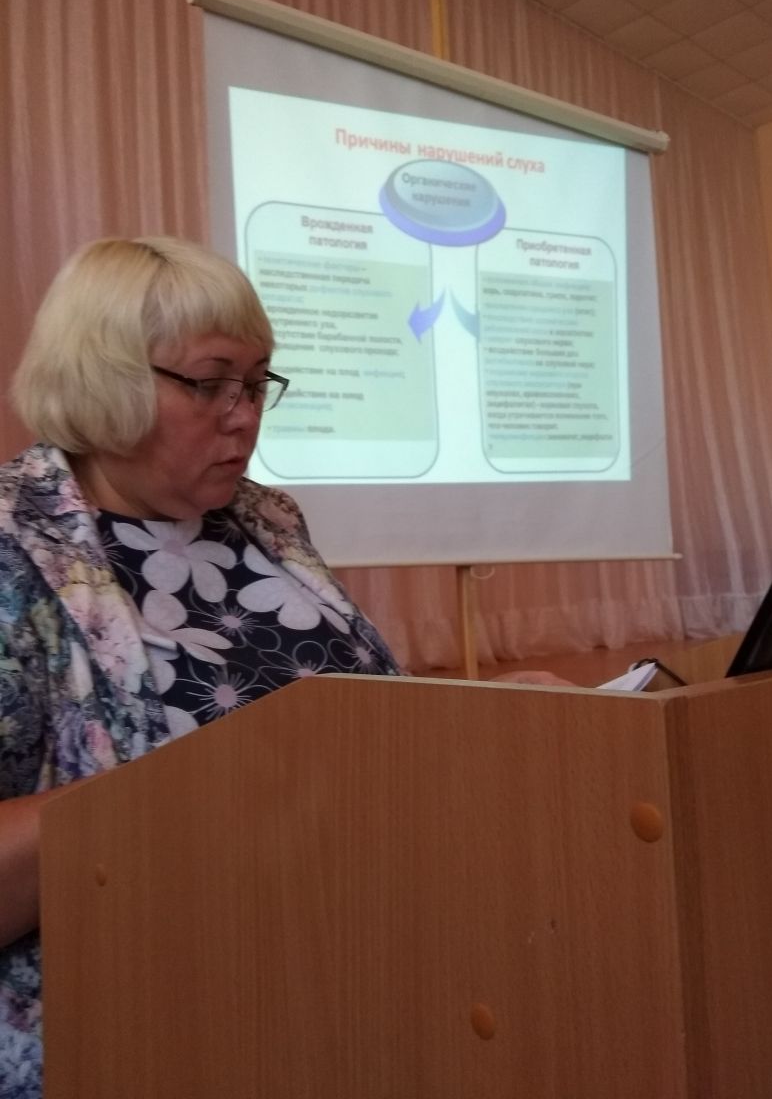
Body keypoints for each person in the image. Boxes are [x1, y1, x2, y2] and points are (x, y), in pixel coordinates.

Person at [0, 235, 567, 1096]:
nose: (244, 416)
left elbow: (344, 717)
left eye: (258, 383)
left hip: (355, 963)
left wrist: (473, 709)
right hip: (145, 1020)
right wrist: (204, 786)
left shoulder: (267, 518)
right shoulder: (16, 546)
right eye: (210, 383)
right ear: (102, 378)